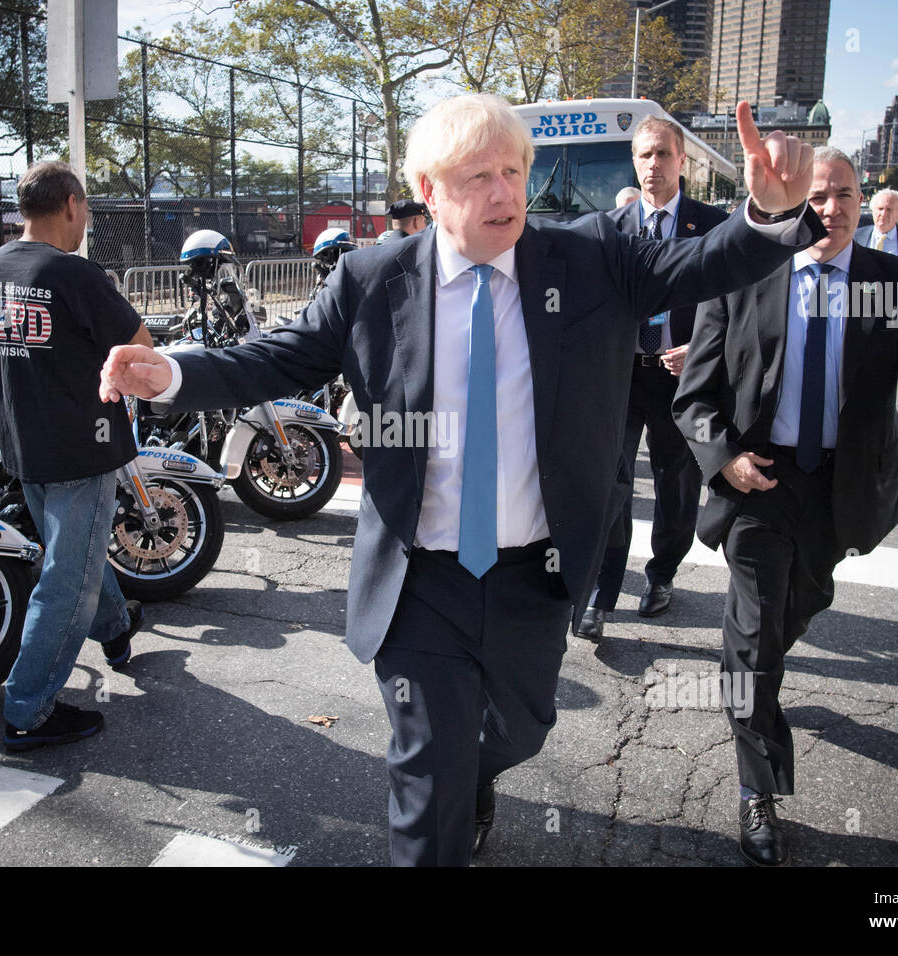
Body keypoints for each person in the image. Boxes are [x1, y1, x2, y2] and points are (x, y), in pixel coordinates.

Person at [101, 94, 822, 866]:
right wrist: (171, 371)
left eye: (513, 171)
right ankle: (450, 790)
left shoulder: (591, 261)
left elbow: (704, 264)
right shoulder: (370, 279)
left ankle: (473, 776)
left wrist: (767, 215)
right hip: (420, 584)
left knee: (523, 729)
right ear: (428, 187)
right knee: (426, 779)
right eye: (478, 175)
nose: (504, 192)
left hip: (536, 573)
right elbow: (274, 357)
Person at [671, 147, 898, 867]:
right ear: (791, 204)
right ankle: (758, 787)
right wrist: (726, 459)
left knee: (791, 613)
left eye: (841, 194)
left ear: (862, 200)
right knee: (754, 619)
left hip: (840, 491)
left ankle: (759, 681)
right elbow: (695, 396)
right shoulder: (745, 275)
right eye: (813, 196)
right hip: (757, 482)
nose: (828, 209)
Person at [0, 160, 151, 754]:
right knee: (67, 579)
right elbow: (141, 349)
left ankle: (117, 629)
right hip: (82, 444)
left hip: (23, 441)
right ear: (72, 204)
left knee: (73, 555)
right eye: (88, 210)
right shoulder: (74, 274)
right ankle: (27, 711)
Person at [576, 118, 729, 641]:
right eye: (644, 156)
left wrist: (703, 348)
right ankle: (602, 589)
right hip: (620, 378)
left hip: (681, 383)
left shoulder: (711, 226)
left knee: (676, 486)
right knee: (610, 483)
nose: (653, 166)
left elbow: (737, 301)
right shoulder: (611, 229)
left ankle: (661, 575)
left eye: (663, 154)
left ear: (682, 160)